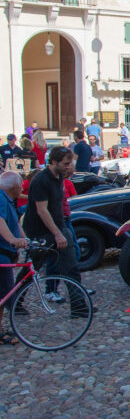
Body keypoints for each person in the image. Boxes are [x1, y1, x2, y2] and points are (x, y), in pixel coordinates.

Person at [22, 147, 84, 305]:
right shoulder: (41, 180)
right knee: (33, 267)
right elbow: (42, 211)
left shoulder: (59, 176)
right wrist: (57, 234)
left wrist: (60, 231)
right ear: (54, 162)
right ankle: (15, 300)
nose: (68, 166)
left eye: (70, 163)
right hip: (40, 230)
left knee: (71, 266)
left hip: (59, 225)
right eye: (65, 163)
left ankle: (79, 306)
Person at [0, 171, 29, 346]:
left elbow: (15, 223)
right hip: (2, 252)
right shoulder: (1, 198)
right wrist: (12, 240)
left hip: (5, 252)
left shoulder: (6, 199)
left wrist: (24, 239)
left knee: (4, 294)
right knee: (3, 294)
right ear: (16, 187)